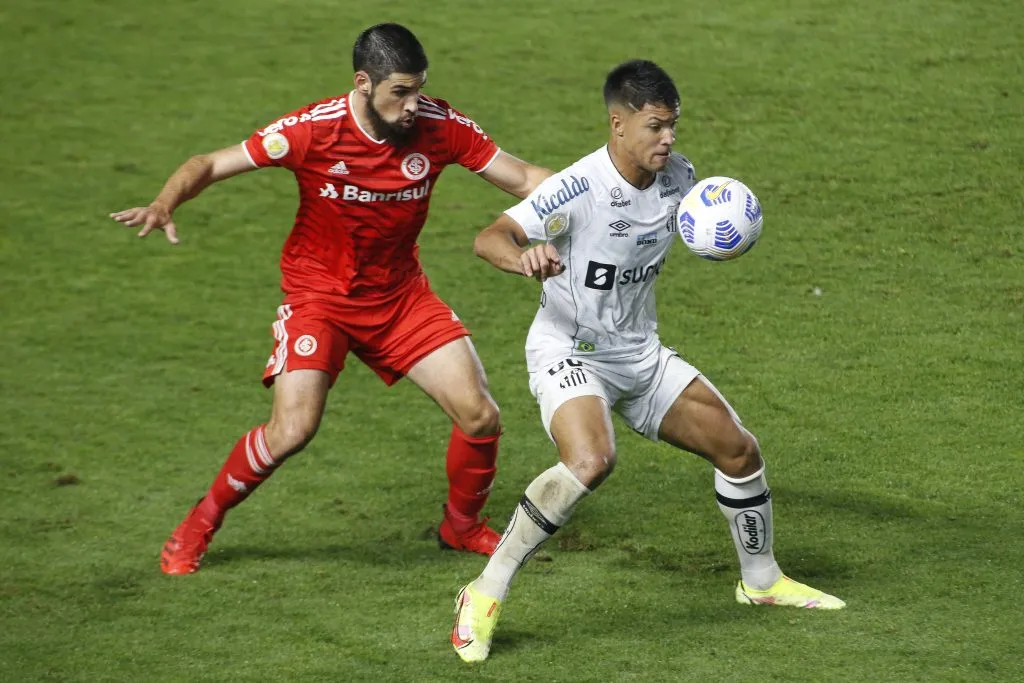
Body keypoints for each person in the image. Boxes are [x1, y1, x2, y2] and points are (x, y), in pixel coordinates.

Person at [110, 23, 552, 575]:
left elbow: (526, 177)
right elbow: (211, 163)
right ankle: (201, 521)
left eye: (419, 89)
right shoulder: (312, 131)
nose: (415, 105)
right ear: (363, 83)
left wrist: (597, 190)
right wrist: (164, 201)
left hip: (399, 298)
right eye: (401, 93)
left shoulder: (440, 125)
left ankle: (459, 528)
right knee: (293, 430)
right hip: (319, 297)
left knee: (480, 415)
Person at [450, 59, 845, 663]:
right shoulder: (576, 190)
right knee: (591, 459)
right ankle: (484, 591)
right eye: (656, 126)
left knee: (739, 451)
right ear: (619, 123)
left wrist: (727, 227)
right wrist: (522, 258)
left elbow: (700, 215)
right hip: (570, 350)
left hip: (638, 353)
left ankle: (762, 582)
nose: (668, 139)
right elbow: (490, 237)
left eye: (674, 126)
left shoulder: (677, 177)